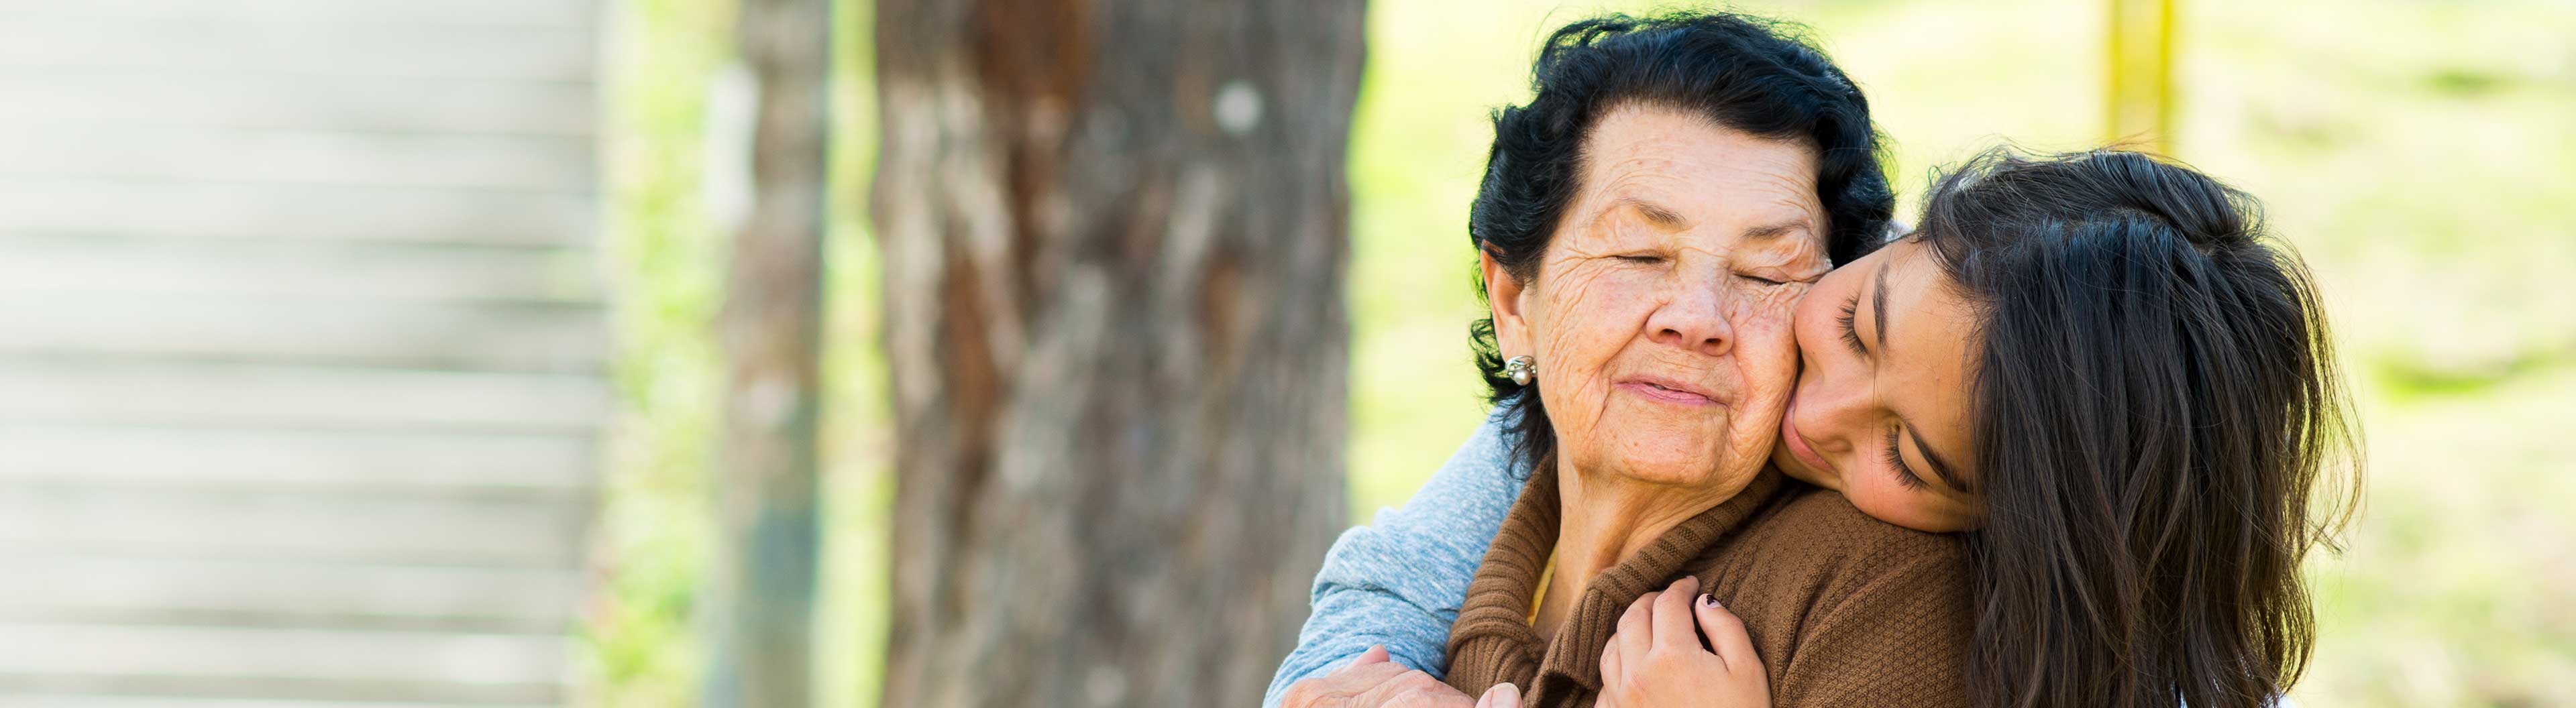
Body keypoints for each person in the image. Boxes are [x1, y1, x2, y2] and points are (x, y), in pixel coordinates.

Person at [1273, 13, 2357, 708]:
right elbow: (1393, 572)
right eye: (1858, 325)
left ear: (2003, 512)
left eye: (1915, 456)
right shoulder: (1559, 451)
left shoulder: (1903, 595)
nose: (1821, 411)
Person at [1277, 11, 1972, 708]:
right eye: (1639, 256)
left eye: (1766, 274)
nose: (1697, 319)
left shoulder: (1880, 592)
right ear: (1516, 304)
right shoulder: (1468, 561)